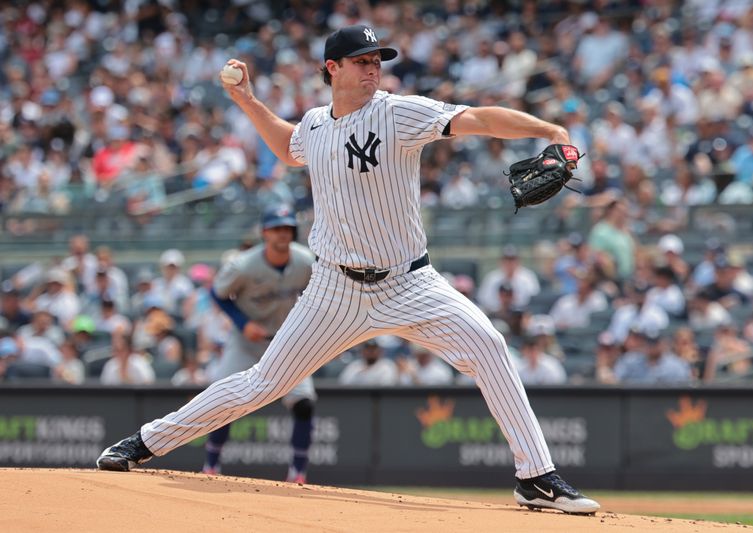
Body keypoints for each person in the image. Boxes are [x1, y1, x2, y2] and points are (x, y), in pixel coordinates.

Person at [96, 24, 599, 515]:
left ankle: (535, 476)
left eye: (377, 61)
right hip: (334, 289)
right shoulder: (315, 124)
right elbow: (288, 146)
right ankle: (145, 442)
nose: (373, 69)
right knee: (261, 383)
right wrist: (247, 100)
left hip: (410, 281)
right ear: (332, 68)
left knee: (489, 347)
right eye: (362, 61)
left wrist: (548, 130)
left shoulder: (398, 113)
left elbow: (479, 119)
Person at [198, 205, 318, 484]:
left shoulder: (305, 262)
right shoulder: (243, 265)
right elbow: (217, 294)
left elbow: (319, 293)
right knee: (221, 401)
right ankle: (211, 466)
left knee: (304, 404)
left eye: (287, 228)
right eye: (276, 228)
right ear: (265, 232)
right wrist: (242, 323)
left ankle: (298, 474)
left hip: (286, 343)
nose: (282, 234)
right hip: (245, 342)